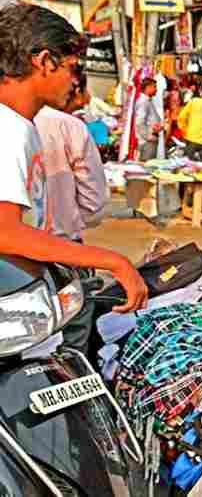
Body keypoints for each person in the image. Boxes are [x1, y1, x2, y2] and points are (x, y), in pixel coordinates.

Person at [0, 3, 146, 318]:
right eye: (73, 67)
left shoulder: (22, 124)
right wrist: (112, 261)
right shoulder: (8, 127)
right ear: (44, 62)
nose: (75, 81)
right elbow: (4, 233)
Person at [34, 74, 108, 352]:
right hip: (63, 250)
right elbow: (93, 205)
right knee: (73, 341)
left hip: (13, 257)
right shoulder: (69, 127)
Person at [135, 77, 161, 161]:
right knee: (147, 167)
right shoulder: (144, 102)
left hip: (150, 139)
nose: (156, 89)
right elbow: (139, 122)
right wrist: (148, 136)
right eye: (154, 87)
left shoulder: (148, 101)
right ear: (148, 88)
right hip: (147, 142)